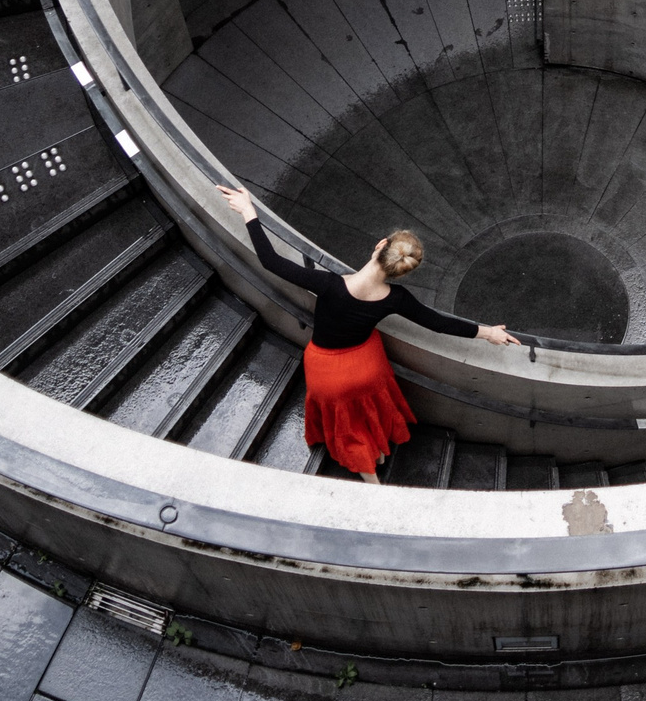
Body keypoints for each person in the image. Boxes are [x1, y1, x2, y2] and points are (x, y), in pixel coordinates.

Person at [218, 183, 517, 482]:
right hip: (368, 366)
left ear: (380, 245)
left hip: (328, 370)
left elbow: (271, 261)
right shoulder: (396, 298)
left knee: (348, 428)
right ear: (402, 272)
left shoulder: (329, 284)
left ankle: (370, 476)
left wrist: (249, 211)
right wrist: (488, 332)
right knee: (367, 397)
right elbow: (438, 323)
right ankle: (379, 447)